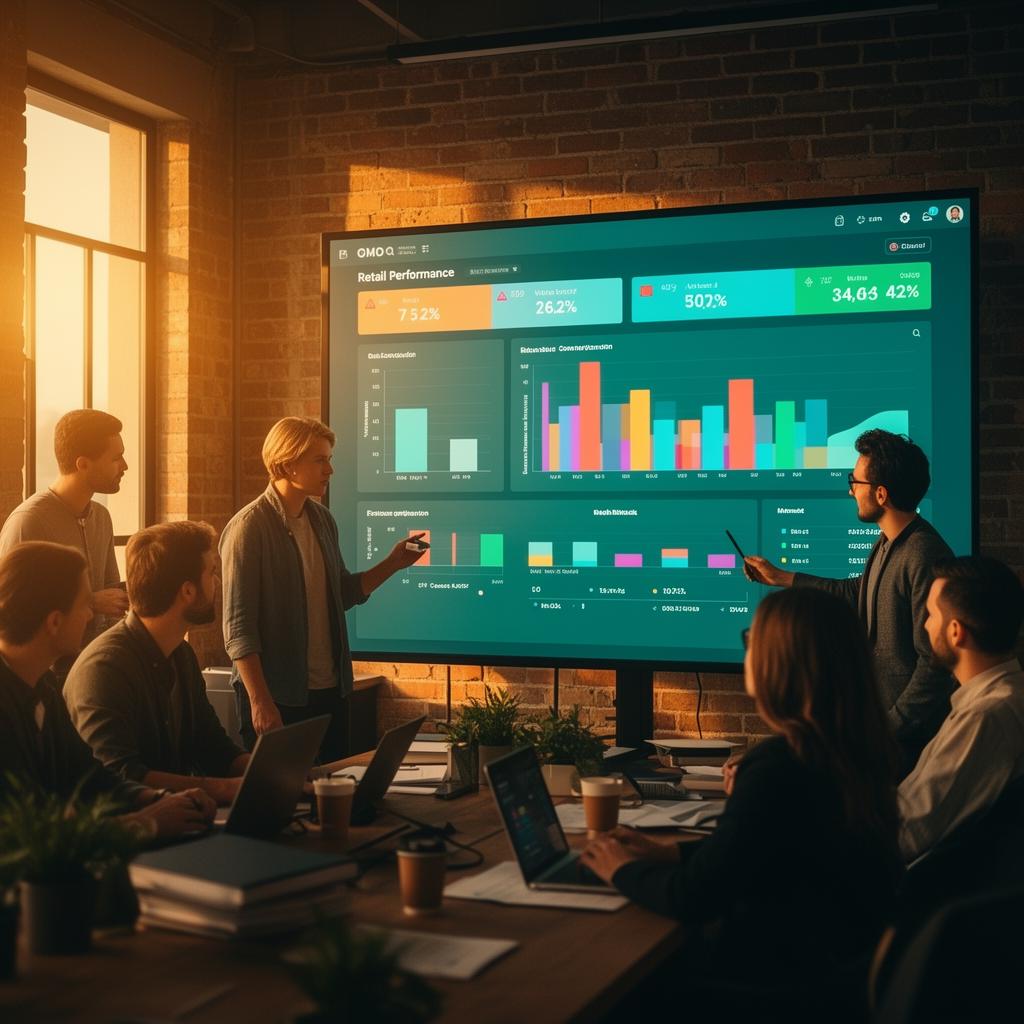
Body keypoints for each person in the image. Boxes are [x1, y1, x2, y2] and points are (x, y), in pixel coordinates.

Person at [581, 588, 902, 989]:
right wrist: (669, 851)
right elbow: (768, 850)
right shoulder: (853, 751)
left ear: (778, 662)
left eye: (752, 639)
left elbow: (693, 897)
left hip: (768, 988)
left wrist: (620, 868)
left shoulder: (778, 767)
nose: (746, 650)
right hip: (828, 976)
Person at [743, 429, 955, 774]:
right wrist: (781, 577)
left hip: (905, 745)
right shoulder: (887, 542)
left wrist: (889, 729)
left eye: (855, 482)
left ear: (882, 494)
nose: (850, 490)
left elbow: (935, 662)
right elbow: (860, 594)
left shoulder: (922, 554)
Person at [220, 417, 425, 761]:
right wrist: (260, 701)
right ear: (287, 464)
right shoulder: (248, 528)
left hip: (330, 692)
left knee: (330, 793)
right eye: (320, 460)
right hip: (277, 696)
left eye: (329, 459)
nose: (329, 469)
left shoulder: (323, 520)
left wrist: (392, 563)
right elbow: (239, 629)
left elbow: (342, 594)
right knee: (280, 800)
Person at [0, 541, 215, 840]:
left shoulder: (43, 686)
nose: (90, 615)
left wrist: (156, 799)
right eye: (84, 605)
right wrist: (145, 823)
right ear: (54, 622)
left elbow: (89, 777)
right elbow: (24, 836)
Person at [65, 521, 250, 805]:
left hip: (182, 822)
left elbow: (211, 744)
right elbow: (120, 774)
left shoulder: (181, 654)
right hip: (132, 838)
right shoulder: (104, 669)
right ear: (187, 591)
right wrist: (223, 789)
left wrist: (269, 774)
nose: (218, 583)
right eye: (212, 572)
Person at [898, 556, 1024, 862]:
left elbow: (905, 833)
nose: (925, 625)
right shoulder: (1003, 697)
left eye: (929, 615)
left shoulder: (986, 716)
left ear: (956, 632)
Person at [0, 409, 130, 662]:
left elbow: (110, 591)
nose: (125, 466)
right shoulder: (29, 521)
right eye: (116, 458)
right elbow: (10, 609)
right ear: (83, 464)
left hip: (94, 662)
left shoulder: (101, 517)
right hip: (42, 671)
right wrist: (90, 602)